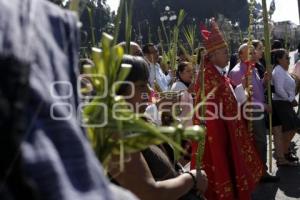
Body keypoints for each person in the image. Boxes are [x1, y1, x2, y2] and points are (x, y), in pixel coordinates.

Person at [110, 55, 208, 200]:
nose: (149, 92)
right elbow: (149, 193)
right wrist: (191, 178)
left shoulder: (140, 120)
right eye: (142, 85)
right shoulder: (115, 134)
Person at [192, 19, 263, 200]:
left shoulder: (218, 72)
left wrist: (240, 90)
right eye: (224, 52)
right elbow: (210, 110)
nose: (227, 55)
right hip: (217, 134)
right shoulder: (207, 77)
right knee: (222, 166)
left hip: (229, 127)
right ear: (213, 55)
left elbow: (228, 95)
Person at [228, 43, 279, 182]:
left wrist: (264, 81)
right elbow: (244, 98)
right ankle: (260, 172)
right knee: (260, 141)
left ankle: (261, 170)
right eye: (249, 52)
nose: (254, 54)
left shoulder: (253, 67)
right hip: (251, 111)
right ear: (240, 55)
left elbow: (256, 90)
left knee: (260, 141)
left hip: (258, 110)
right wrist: (263, 105)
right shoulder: (238, 71)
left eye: (253, 52)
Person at [271, 48, 300, 166]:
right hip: (282, 103)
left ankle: (286, 151)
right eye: (286, 57)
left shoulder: (282, 69)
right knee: (290, 128)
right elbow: (278, 89)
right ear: (279, 59)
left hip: (285, 103)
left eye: (288, 57)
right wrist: (290, 99)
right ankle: (285, 153)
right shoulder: (277, 70)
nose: (288, 60)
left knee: (292, 128)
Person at [171, 62, 194, 126]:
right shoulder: (177, 86)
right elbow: (179, 107)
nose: (191, 73)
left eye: (192, 71)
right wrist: (188, 92)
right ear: (180, 73)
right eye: (188, 71)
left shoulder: (186, 85)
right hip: (182, 126)